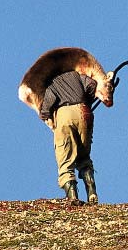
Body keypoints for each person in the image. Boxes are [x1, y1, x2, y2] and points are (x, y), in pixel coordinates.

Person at [39, 70, 99, 205]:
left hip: (64, 114)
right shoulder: (77, 75)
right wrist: (86, 101)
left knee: (65, 159)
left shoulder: (52, 82)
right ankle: (92, 192)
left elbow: (49, 100)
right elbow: (92, 85)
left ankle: (72, 197)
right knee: (84, 157)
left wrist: (44, 115)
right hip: (84, 112)